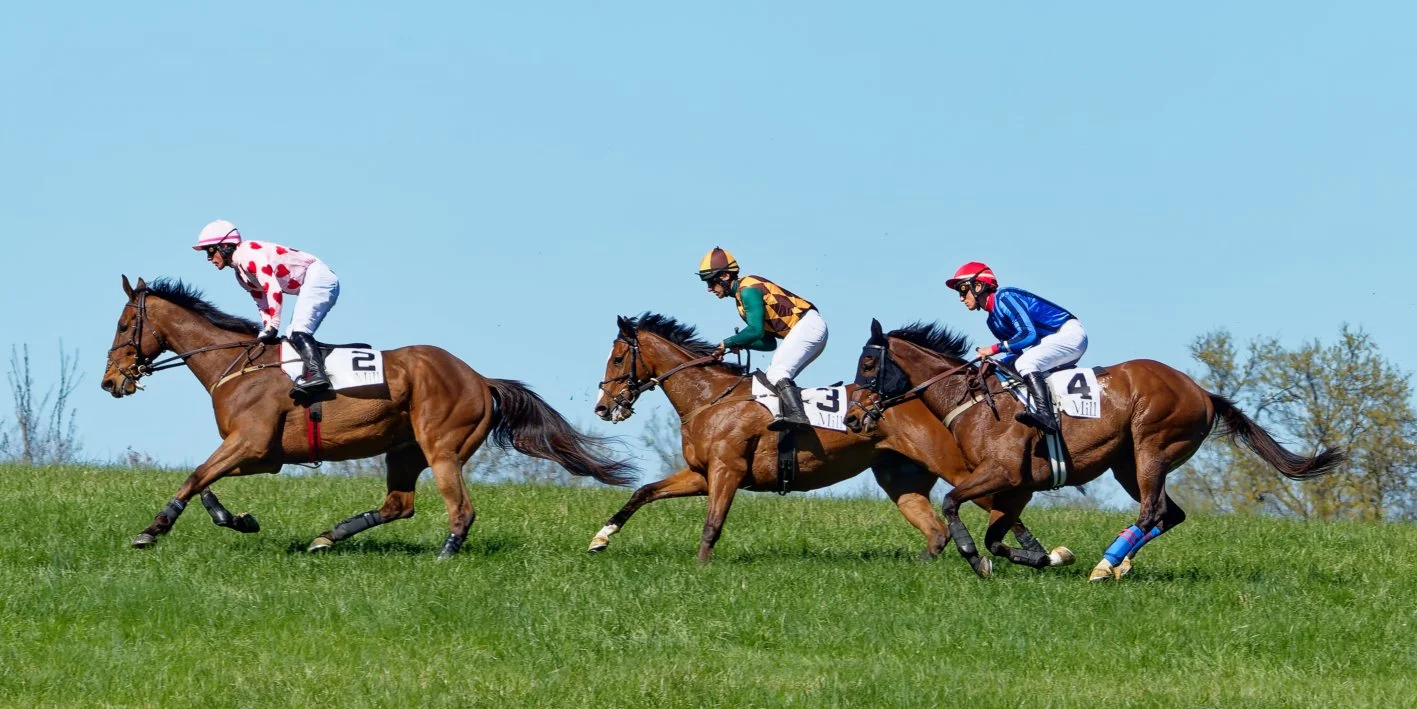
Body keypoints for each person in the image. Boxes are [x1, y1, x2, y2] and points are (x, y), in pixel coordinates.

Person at [193, 219, 340, 394]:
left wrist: (273, 326)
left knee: (299, 331)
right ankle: (308, 373)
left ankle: (318, 375)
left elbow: (274, 290)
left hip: (319, 277)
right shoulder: (241, 275)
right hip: (308, 282)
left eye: (210, 250)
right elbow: (262, 303)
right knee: (292, 336)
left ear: (225, 245)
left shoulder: (249, 254)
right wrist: (268, 328)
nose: (209, 258)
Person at [946, 261, 1087, 432]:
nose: (961, 298)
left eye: (962, 289)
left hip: (1068, 334)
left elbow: (1028, 335)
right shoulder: (992, 322)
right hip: (1050, 342)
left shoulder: (1005, 297)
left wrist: (993, 349)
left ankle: (1047, 417)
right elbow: (1016, 352)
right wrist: (993, 365)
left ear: (977, 285)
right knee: (1014, 367)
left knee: (1026, 364)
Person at [698, 247, 827, 431]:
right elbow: (769, 343)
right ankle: (793, 419)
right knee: (769, 380)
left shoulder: (747, 290)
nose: (709, 289)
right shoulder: (741, 301)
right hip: (807, 329)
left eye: (711, 282)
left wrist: (728, 342)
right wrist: (742, 344)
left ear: (725, 275)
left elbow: (755, 331)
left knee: (777, 373)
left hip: (809, 327)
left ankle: (799, 417)